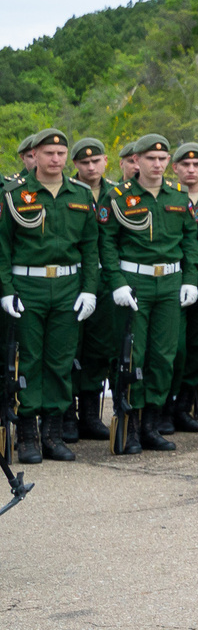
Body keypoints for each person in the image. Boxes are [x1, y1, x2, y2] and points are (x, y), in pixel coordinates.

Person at [2, 129, 102, 462]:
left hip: (67, 288)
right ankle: (28, 434)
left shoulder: (81, 194)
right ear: (36, 155)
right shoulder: (14, 194)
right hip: (27, 286)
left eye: (61, 154)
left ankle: (53, 433)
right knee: (29, 359)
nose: (55, 160)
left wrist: (89, 290)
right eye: (48, 153)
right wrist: (5, 291)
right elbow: (2, 248)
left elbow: (90, 247)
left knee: (60, 361)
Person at [103, 134, 198, 452]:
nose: (157, 164)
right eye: (150, 159)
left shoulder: (178, 196)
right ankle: (128, 425)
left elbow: (190, 242)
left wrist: (191, 279)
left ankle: (150, 425)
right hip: (135, 283)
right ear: (137, 161)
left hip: (170, 283)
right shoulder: (118, 197)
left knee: (163, 357)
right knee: (133, 356)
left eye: (162, 159)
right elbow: (106, 242)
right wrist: (116, 281)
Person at [67, 136, 117, 441]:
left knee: (100, 347)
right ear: (75, 165)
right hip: (73, 279)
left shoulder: (118, 194)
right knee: (70, 347)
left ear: (105, 161)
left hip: (106, 279)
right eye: (84, 162)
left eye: (95, 161)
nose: (90, 167)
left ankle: (89, 413)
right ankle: (66, 414)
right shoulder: (69, 192)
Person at [169, 143, 198, 433]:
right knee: (175, 347)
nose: (191, 170)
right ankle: (165, 406)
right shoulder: (170, 197)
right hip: (174, 281)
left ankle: (185, 406)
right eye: (185, 165)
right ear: (176, 169)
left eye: (197, 165)